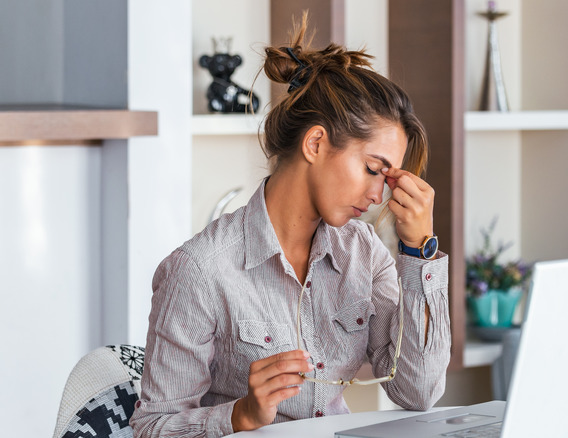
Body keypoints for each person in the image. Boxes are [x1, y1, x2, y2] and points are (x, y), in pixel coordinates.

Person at [129, 14, 451, 438]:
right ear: (315, 143)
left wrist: (419, 251)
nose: (380, 197)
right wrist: (239, 416)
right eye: (374, 169)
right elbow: (152, 428)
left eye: (388, 179)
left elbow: (418, 392)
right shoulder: (200, 271)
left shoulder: (365, 252)